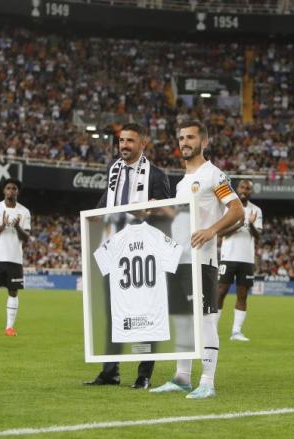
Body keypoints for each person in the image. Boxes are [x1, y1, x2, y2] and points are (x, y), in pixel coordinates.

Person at [150, 119, 244, 399]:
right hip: (179, 259)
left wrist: (211, 230)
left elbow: (237, 210)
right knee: (182, 320)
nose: (184, 142)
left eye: (190, 137)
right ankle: (181, 377)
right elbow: (181, 220)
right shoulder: (182, 183)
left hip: (201, 261)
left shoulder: (214, 175)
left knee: (205, 320)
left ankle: (208, 381)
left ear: (204, 142)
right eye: (180, 138)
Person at [83, 122, 170, 390]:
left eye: (130, 141)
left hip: (143, 256)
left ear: (143, 143)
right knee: (112, 312)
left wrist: (154, 211)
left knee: (144, 314)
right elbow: (107, 201)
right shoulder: (113, 170)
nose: (124, 146)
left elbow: (170, 214)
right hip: (115, 249)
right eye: (121, 141)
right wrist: (91, 218)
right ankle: (110, 371)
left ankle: (144, 374)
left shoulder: (156, 176)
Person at [0, 178, 31, 337]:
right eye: (8, 188)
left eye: (14, 188)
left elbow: (26, 238)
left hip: (15, 258)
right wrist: (2, 226)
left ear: (18, 192)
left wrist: (16, 226)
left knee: (13, 292)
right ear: (4, 191)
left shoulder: (24, 212)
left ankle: (9, 327)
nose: (11, 191)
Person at [216, 179, 263, 342]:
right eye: (242, 187)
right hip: (228, 257)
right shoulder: (228, 208)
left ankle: (236, 332)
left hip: (246, 259)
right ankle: (212, 330)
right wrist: (238, 224)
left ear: (251, 191)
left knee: (242, 295)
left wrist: (250, 224)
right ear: (237, 188)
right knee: (220, 292)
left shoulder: (256, 210)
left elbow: (258, 235)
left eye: (248, 188)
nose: (245, 190)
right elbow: (220, 233)